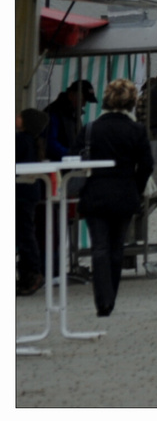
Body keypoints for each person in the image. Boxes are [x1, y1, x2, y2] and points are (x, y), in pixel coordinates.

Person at [79, 80, 153, 317]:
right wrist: (137, 187)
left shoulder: (91, 128)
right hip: (124, 193)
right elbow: (147, 164)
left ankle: (104, 300)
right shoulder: (137, 130)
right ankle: (111, 295)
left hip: (95, 192)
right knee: (116, 247)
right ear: (132, 103)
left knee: (99, 247)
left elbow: (74, 159)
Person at [16, 110, 49, 297]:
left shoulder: (21, 141)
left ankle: (32, 273)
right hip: (28, 192)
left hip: (21, 192)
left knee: (24, 234)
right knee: (25, 233)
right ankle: (29, 273)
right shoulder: (32, 142)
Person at [44, 81, 93, 161]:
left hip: (68, 161)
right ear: (71, 95)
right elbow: (50, 142)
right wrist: (71, 154)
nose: (84, 104)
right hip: (57, 164)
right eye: (83, 100)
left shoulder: (73, 113)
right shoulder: (55, 112)